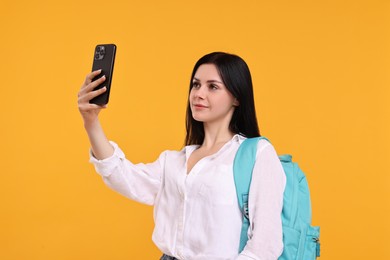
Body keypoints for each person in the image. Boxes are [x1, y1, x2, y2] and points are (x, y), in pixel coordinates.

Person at [78, 52, 286, 260]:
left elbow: (265, 246)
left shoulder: (257, 154)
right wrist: (91, 122)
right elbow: (123, 177)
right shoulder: (174, 160)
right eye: (196, 85)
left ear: (237, 97)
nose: (198, 94)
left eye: (212, 86)